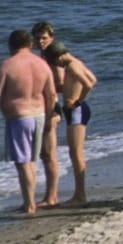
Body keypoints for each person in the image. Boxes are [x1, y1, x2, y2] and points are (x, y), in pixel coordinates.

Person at [0, 28, 56, 214]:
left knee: (23, 163)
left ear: (10, 46)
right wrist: (50, 117)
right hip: (40, 115)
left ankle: (29, 204)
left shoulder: (7, 65)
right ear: (30, 44)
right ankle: (32, 201)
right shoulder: (42, 64)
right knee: (32, 160)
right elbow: (51, 94)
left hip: (19, 118)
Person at [40, 39, 96, 204]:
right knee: (75, 152)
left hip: (77, 110)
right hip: (76, 110)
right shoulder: (77, 62)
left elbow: (89, 84)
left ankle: (80, 195)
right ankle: (79, 194)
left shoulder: (71, 66)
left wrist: (77, 101)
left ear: (58, 57)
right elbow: (93, 79)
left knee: (76, 153)